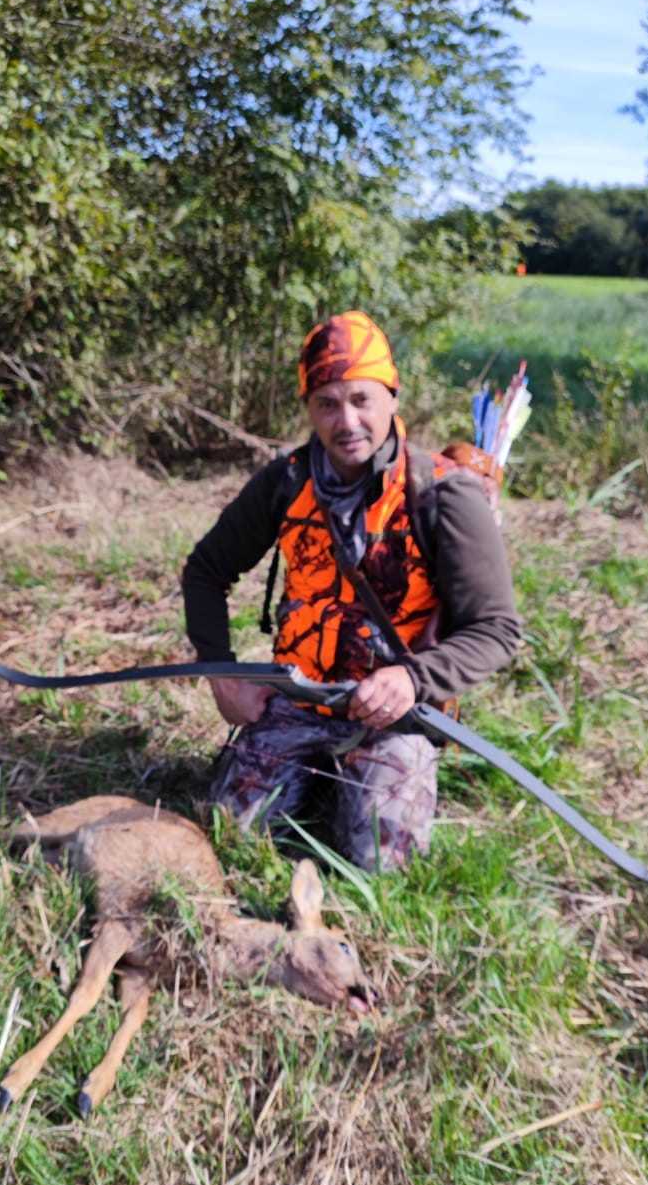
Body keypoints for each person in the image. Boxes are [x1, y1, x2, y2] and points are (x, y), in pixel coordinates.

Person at [182, 310, 520, 871]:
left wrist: (414, 679)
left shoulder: (444, 494)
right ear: (309, 407)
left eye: (362, 399)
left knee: (380, 869)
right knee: (228, 841)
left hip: (396, 713)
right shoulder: (286, 481)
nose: (347, 421)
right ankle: (322, 779)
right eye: (327, 403)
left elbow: (497, 629)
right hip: (301, 696)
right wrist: (222, 673)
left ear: (392, 396)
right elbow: (205, 571)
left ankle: (355, 781)